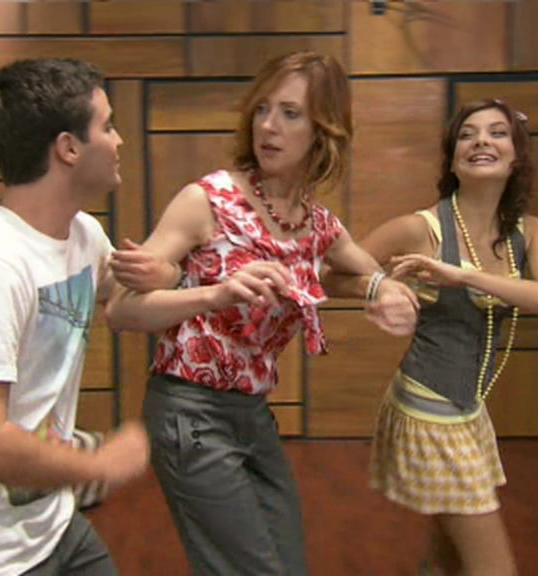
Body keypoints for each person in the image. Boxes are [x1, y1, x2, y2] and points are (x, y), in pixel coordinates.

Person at [104, 50, 419, 576]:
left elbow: (360, 272)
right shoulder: (208, 200)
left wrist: (383, 290)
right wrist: (215, 294)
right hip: (190, 411)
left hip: (252, 415)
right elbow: (121, 311)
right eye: (263, 109)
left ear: (324, 132)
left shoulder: (318, 226)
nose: (268, 126)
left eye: (291, 114)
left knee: (288, 564)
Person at [0, 58, 174, 576]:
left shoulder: (83, 235)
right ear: (69, 148)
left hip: (52, 524)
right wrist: (98, 464)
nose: (119, 140)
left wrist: (177, 278)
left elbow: (125, 305)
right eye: (108, 126)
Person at [356, 99, 538, 575]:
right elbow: (329, 271)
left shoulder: (530, 233)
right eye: (467, 134)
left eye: (497, 133)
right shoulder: (419, 228)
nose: (481, 141)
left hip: (470, 410)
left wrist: (466, 277)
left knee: (448, 557)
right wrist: (381, 290)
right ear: (453, 160)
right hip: (428, 408)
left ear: (516, 157)